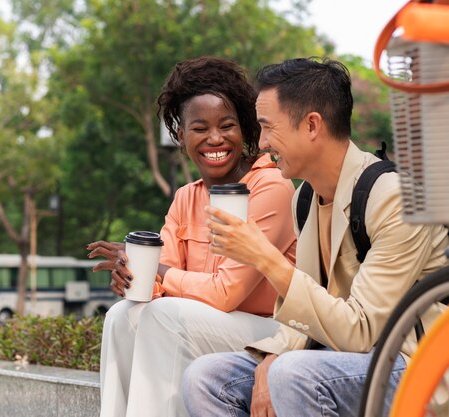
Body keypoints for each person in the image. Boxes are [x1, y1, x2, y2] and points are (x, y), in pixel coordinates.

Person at [182, 57, 449, 417]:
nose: (260, 144)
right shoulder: (305, 198)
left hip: (415, 367)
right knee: (206, 377)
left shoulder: (393, 198)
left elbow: (361, 331)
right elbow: (307, 313)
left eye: (267, 128)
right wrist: (272, 356)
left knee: (294, 374)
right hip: (338, 358)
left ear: (311, 125)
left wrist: (265, 258)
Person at [87, 56, 297, 417]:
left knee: (164, 315)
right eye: (200, 128)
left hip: (270, 334)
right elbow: (160, 283)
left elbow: (226, 293)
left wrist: (159, 272)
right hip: (206, 324)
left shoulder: (271, 187)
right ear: (181, 136)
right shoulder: (187, 197)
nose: (215, 138)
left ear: (244, 129)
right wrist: (133, 275)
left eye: (227, 125)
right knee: (121, 316)